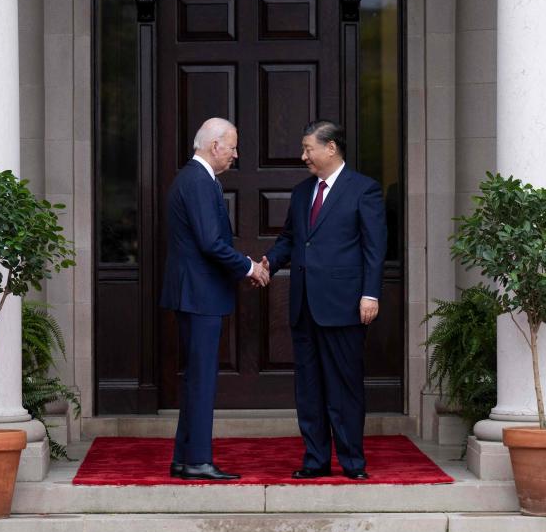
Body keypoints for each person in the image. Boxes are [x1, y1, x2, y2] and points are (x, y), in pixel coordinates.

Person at [263, 120, 386, 480]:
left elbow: (374, 248)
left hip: (345, 305)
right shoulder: (302, 192)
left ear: (330, 148)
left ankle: (352, 463)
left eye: (308, 149)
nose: (304, 156)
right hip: (304, 306)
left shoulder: (364, 190)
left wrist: (370, 294)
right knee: (309, 389)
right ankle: (315, 460)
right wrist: (269, 263)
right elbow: (290, 237)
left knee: (344, 388)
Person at [160, 117, 269, 480]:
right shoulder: (198, 181)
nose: (236, 155)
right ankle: (199, 461)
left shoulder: (193, 179)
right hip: (199, 295)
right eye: (233, 146)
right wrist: (249, 267)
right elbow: (210, 243)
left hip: (195, 293)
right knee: (202, 379)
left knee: (196, 378)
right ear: (214, 145)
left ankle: (184, 457)